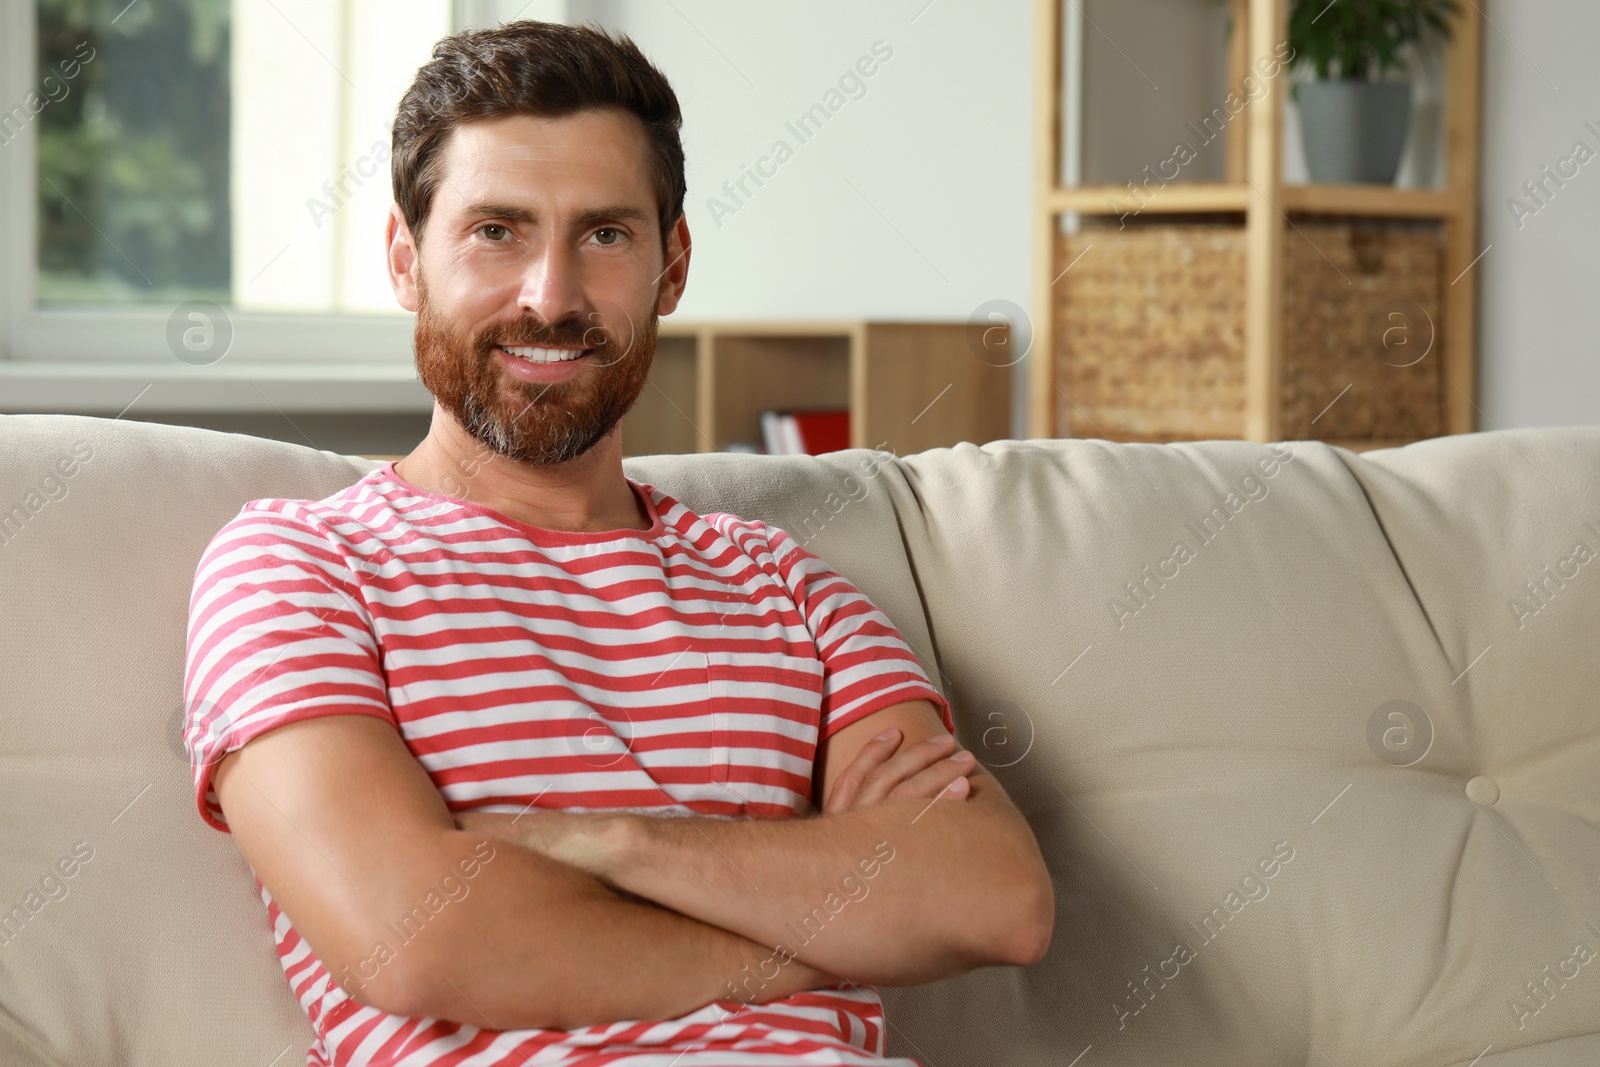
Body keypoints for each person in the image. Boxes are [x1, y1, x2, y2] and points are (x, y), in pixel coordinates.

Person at [182, 19, 1052, 1067]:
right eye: (496, 231)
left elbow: (994, 897)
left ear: (670, 267)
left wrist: (603, 839)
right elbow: (413, 934)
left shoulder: (784, 582)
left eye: (603, 235)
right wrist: (824, 923)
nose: (550, 296)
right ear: (405, 262)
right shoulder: (297, 568)